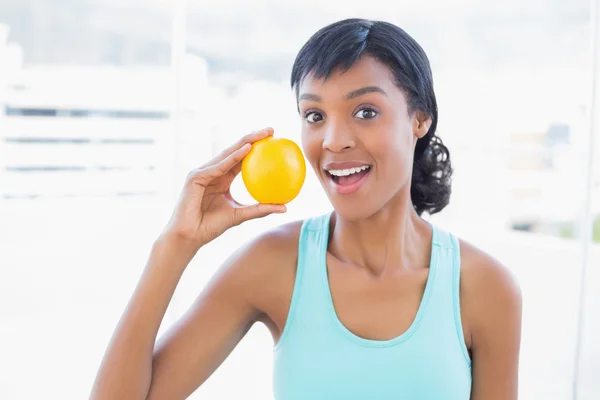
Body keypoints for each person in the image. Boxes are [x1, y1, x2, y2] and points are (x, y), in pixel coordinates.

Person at [90, 18, 522, 400]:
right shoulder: (273, 265)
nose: (334, 140)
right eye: (314, 115)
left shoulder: (486, 289)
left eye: (365, 111)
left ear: (420, 119)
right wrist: (175, 245)